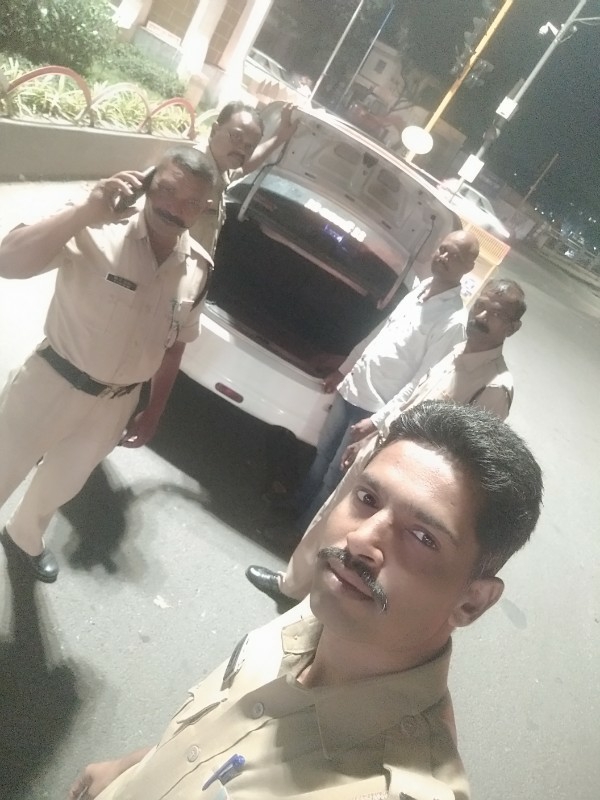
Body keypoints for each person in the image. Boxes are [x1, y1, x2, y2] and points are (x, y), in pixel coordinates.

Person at [68, 401, 543, 800]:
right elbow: (214, 739)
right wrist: (133, 771)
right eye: (367, 498)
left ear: (471, 603)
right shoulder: (332, 608)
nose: (361, 540)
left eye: (422, 537)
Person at [0, 146, 217, 583]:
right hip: (51, 381)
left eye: (190, 202)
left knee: (61, 484)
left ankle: (23, 535)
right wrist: (84, 210)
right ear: (147, 182)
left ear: (203, 208)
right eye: (167, 190)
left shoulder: (198, 268)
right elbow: (8, 261)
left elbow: (175, 345)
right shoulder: (98, 225)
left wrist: (152, 410)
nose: (175, 208)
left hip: (114, 406)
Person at [247, 278, 527, 605]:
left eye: (496, 314)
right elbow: (411, 397)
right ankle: (292, 586)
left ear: (512, 327)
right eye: (481, 305)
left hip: (408, 485)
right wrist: (373, 432)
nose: (481, 315)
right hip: (382, 452)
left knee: (367, 548)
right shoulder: (457, 351)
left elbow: (467, 463)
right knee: (333, 516)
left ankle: (324, 605)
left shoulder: (494, 387)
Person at [275, 229, 480, 530]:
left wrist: (378, 421)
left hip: (375, 407)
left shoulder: (453, 321)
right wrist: (344, 369)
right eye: (443, 249)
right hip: (353, 388)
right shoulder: (420, 289)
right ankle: (295, 507)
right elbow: (379, 334)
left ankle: (302, 531)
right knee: (321, 456)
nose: (444, 257)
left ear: (469, 266)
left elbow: (422, 382)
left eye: (455, 255)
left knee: (337, 475)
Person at [192, 100, 298, 255]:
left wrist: (280, 136)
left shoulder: (220, 170)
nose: (242, 150)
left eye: (249, 146)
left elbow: (244, 167)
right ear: (214, 130)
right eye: (236, 137)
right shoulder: (191, 170)